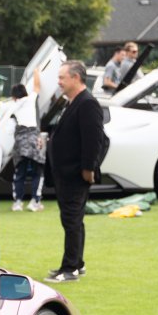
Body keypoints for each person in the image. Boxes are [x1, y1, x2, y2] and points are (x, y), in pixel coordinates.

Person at [45, 60, 106, 283]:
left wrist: (89, 169)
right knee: (73, 220)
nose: (59, 82)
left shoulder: (87, 103)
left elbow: (94, 140)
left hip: (75, 174)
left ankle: (69, 268)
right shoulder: (72, 102)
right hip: (65, 173)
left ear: (76, 78)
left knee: (71, 220)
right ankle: (77, 263)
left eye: (62, 78)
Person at [6, 82, 46, 212]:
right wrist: (36, 71)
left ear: (14, 96)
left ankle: (18, 202)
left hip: (20, 141)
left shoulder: (13, 105)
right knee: (37, 172)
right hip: (33, 139)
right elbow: (37, 86)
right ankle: (35, 201)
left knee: (19, 172)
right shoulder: (31, 98)